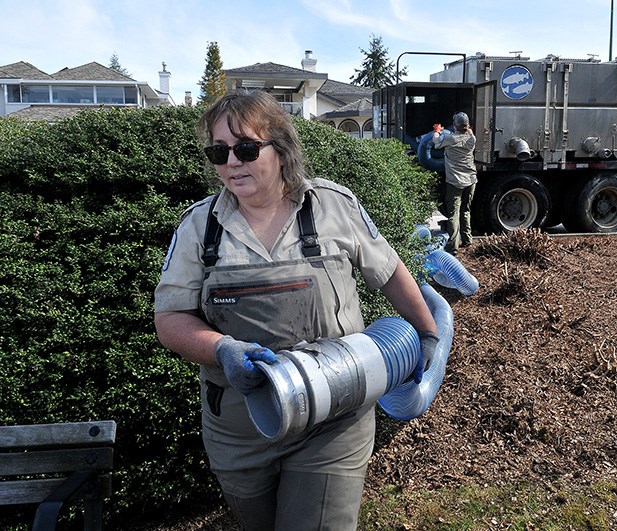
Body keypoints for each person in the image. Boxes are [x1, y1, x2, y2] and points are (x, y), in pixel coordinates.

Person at [153, 89, 439, 531]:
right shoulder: (199, 227)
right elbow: (170, 319)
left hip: (334, 416)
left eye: (246, 148)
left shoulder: (332, 205)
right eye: (219, 151)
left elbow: (389, 271)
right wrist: (222, 350)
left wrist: (427, 335)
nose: (231, 162)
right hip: (241, 428)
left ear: (280, 148)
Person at [432, 112, 478, 254]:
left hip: (455, 182)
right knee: (466, 210)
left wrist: (437, 131)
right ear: (467, 126)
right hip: (471, 180)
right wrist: (466, 127)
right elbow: (468, 131)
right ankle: (467, 240)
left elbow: (436, 142)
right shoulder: (472, 139)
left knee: (453, 213)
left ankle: (452, 246)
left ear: (454, 126)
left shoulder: (450, 139)